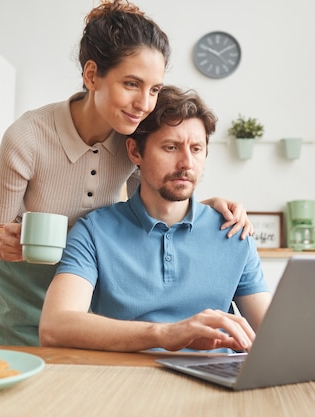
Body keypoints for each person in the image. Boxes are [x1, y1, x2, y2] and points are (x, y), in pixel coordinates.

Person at [0, 0, 253, 346]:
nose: (144, 103)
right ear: (92, 75)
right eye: (132, 84)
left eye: (154, 89)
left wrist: (204, 207)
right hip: (23, 290)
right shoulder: (27, 137)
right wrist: (3, 242)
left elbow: (153, 198)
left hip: (89, 287)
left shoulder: (132, 138)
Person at [39, 86, 272, 353]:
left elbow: (272, 334)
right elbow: (54, 327)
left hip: (217, 383)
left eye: (196, 149)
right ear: (135, 152)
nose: (187, 163)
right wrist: (164, 334)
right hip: (127, 383)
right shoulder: (94, 231)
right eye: (171, 147)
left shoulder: (233, 231)